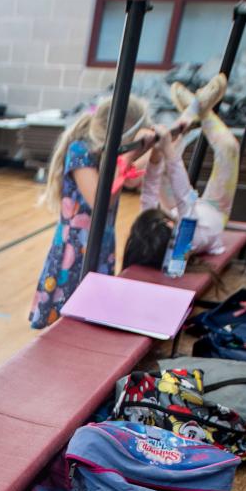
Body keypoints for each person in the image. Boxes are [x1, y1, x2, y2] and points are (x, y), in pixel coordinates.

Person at [30, 94, 150, 328]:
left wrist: (154, 148)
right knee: (65, 318)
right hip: (75, 247)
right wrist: (129, 155)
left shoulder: (110, 153)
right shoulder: (81, 150)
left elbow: (133, 182)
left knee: (93, 316)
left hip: (101, 242)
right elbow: (99, 201)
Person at [123, 74, 235, 270]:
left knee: (163, 157)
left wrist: (157, 154)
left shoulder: (158, 233)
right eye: (167, 223)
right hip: (215, 209)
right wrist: (168, 151)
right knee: (229, 148)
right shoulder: (185, 240)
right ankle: (200, 109)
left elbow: (149, 192)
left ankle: (188, 116)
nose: (167, 220)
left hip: (183, 208)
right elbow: (184, 197)